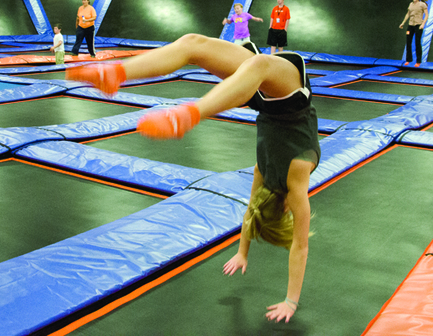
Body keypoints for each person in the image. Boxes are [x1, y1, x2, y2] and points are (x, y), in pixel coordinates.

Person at [65, 34, 320, 323]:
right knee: (218, 51)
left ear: (284, 210)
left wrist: (245, 257)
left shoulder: (285, 177)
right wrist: (283, 293)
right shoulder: (281, 175)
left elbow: (277, 229)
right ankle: (127, 80)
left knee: (197, 45)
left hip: (277, 98)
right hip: (277, 97)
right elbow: (270, 226)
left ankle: (137, 84)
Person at [398, 0, 429, 66]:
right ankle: (408, 59)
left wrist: (423, 24)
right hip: (410, 25)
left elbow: (427, 15)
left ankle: (418, 61)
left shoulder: (422, 4)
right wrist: (403, 23)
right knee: (408, 42)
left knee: (417, 42)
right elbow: (408, 14)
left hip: (418, 25)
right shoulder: (411, 4)